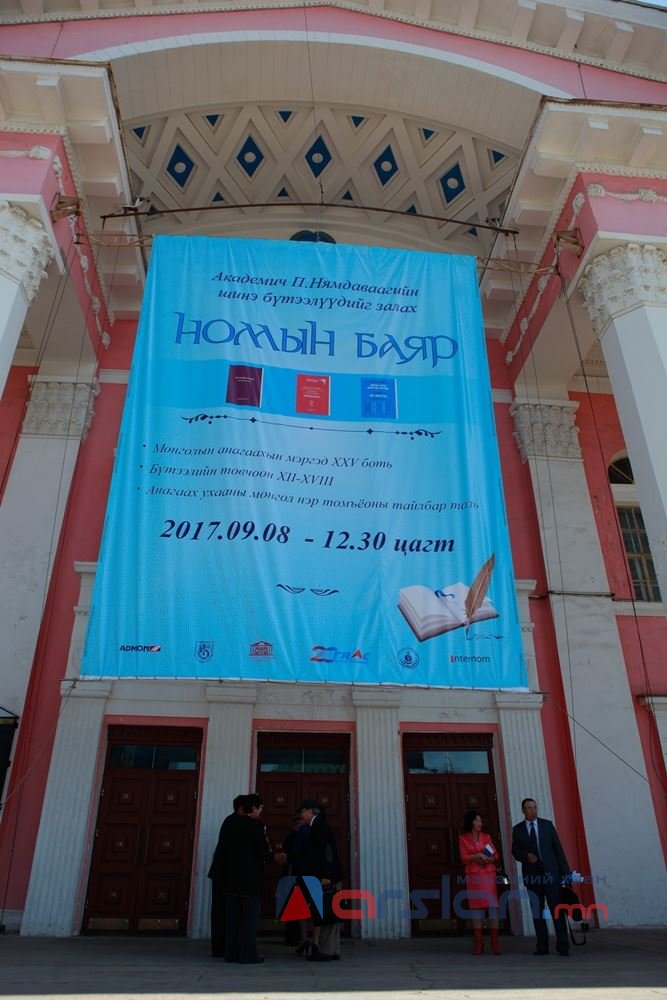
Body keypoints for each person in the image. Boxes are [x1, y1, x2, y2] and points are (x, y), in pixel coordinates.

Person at [213, 793, 272, 964]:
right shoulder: (256, 826)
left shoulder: (230, 823)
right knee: (249, 919)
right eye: (260, 808)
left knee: (232, 918)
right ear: (253, 808)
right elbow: (264, 852)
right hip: (249, 880)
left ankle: (230, 953)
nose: (260, 812)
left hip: (230, 879)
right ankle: (247, 955)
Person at [511, 797, 571, 956]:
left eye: (534, 807)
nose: (533, 810)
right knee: (537, 912)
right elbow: (515, 851)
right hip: (533, 877)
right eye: (529, 808)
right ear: (523, 810)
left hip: (552, 875)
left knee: (557, 911)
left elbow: (558, 850)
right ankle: (542, 946)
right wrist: (525, 856)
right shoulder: (518, 829)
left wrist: (566, 874)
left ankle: (563, 946)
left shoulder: (547, 825)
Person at [297, 798, 344, 961]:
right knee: (332, 912)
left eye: (303, 811)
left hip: (328, 876)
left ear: (310, 811)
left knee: (327, 912)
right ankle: (334, 950)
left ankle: (325, 951)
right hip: (331, 874)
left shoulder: (319, 826)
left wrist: (326, 875)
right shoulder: (319, 825)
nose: (301, 815)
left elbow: (326, 851)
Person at [208, 793, 246, 958]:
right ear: (241, 808)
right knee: (224, 911)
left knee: (222, 911)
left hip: (223, 873)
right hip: (225, 875)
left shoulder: (230, 821)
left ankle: (221, 946)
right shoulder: (235, 822)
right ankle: (223, 946)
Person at [459, 810, 502, 955]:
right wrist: (477, 855)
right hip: (474, 876)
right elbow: (464, 857)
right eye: (477, 820)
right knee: (476, 908)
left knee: (493, 907)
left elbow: (496, 855)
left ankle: (494, 942)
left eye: (480, 821)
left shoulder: (486, 837)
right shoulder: (463, 839)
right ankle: (479, 942)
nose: (479, 823)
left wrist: (489, 859)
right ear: (470, 822)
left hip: (488, 874)